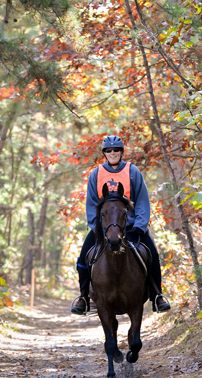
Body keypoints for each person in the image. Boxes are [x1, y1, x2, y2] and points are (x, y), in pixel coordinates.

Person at [71, 134, 171, 315]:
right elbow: (92, 203)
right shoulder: (97, 173)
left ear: (121, 152)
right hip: (104, 228)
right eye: (108, 150)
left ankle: (157, 296)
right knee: (82, 258)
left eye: (116, 149)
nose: (112, 153)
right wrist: (97, 228)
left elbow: (142, 202)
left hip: (131, 227)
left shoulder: (133, 172)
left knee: (153, 255)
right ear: (104, 153)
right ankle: (83, 297)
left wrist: (139, 228)